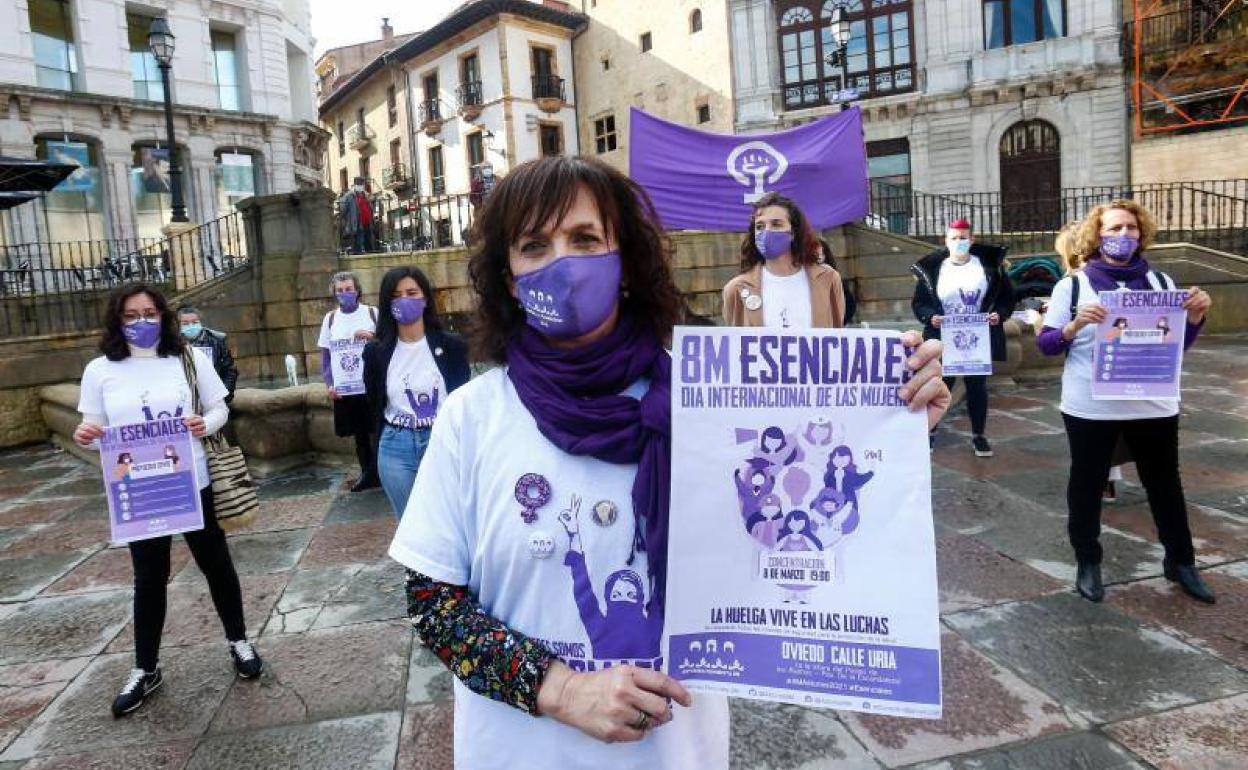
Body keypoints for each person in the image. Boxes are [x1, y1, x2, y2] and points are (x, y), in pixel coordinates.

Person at [387, 156, 950, 770]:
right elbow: (433, 602)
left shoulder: (705, 402)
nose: (562, 263)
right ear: (510, 277)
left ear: (625, 262)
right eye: (533, 245)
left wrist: (886, 428)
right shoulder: (473, 416)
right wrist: (562, 689)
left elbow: (789, 531)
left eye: (584, 239)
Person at [73, 283, 262, 718]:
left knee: (216, 564)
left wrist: (203, 423)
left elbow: (220, 408)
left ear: (164, 317)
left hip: (191, 481)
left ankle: (239, 640)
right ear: (117, 321)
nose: (142, 322)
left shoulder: (189, 359)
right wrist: (84, 435)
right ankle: (145, 667)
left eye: (150, 313)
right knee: (148, 578)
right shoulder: (100, 370)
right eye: (132, 315)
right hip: (139, 491)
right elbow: (92, 427)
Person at [1037, 200, 1214, 604]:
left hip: (1152, 404)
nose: (1123, 236)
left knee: (1165, 483)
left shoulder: (1161, 283)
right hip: (1091, 405)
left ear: (1142, 233)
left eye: (1131, 228)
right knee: (1087, 483)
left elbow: (1176, 348)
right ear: (1097, 235)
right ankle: (1088, 561)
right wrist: (1075, 323)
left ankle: (1181, 561)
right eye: (1114, 228)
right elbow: (1047, 344)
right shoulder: (1073, 285)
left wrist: (1198, 318)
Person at [362, 266, 470, 518]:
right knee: (411, 526)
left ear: (425, 299)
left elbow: (464, 398)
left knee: (451, 520)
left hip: (442, 440)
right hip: (396, 447)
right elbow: (374, 401)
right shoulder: (376, 352)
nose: (405, 300)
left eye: (412, 293)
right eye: (396, 295)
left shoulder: (452, 345)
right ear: (387, 303)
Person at [911, 218, 1015, 457]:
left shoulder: (990, 267)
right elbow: (920, 303)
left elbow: (1007, 298)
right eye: (954, 238)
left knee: (976, 386)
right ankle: (930, 431)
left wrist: (998, 315)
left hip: (978, 335)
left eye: (963, 237)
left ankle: (979, 436)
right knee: (939, 384)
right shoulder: (933, 270)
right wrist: (931, 317)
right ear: (946, 241)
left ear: (972, 239)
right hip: (944, 335)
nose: (959, 242)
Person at [1053, 224, 1130, 503]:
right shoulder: (1071, 285)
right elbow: (1050, 341)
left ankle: (1103, 480)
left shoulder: (1083, 280)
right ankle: (1106, 480)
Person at [721, 193, 846, 329]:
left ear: (793, 232)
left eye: (776, 224)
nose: (767, 232)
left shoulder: (828, 279)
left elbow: (836, 334)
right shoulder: (736, 289)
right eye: (760, 226)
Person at [319, 271, 380, 492]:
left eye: (349, 289)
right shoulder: (331, 319)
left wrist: (372, 337)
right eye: (340, 290)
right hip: (346, 386)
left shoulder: (373, 314)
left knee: (378, 431)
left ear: (357, 291)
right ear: (334, 293)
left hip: (370, 384)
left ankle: (382, 472)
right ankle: (367, 474)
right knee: (359, 434)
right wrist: (329, 384)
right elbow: (326, 355)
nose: (345, 294)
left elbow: (389, 344)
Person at [177, 305, 239, 403]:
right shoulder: (172, 342)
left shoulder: (217, 340)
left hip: (214, 396)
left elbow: (229, 370)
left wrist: (225, 396)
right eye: (185, 323)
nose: (191, 326)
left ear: (200, 322)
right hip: (184, 398)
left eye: (195, 322)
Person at [816, 236, 856, 324]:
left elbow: (849, 306)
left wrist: (837, 323)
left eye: (821, 254)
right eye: (815, 253)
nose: (818, 257)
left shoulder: (833, 276)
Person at [338, 177, 375, 254]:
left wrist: (371, 201)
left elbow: (371, 207)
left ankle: (370, 256)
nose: (360, 186)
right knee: (358, 243)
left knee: (369, 243)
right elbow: (342, 209)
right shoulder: (349, 196)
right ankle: (358, 254)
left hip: (367, 222)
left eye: (361, 184)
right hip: (357, 223)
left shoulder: (366, 195)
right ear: (354, 185)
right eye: (358, 184)